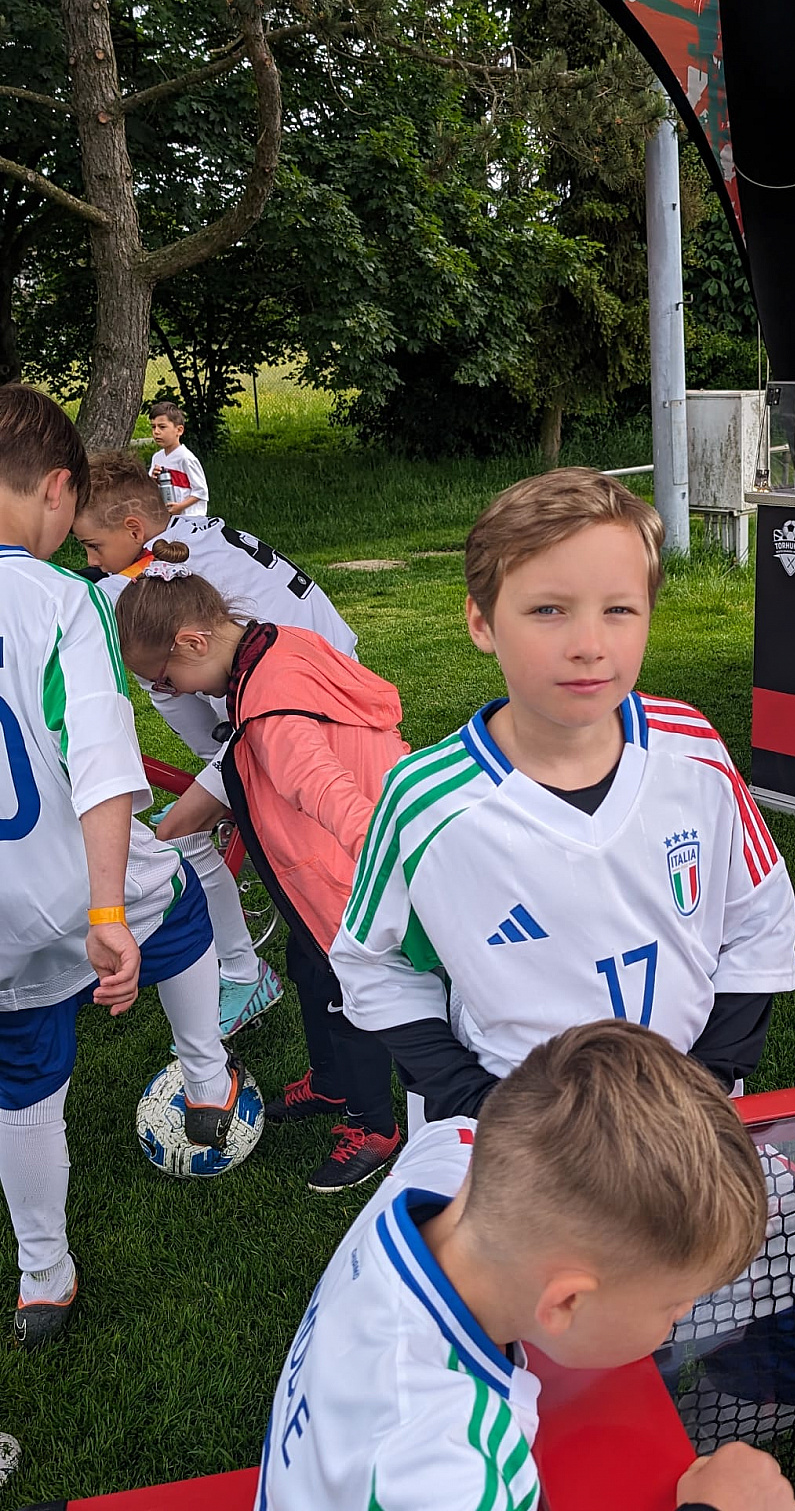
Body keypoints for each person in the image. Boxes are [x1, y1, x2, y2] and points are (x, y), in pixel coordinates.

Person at [330, 466, 795, 1438]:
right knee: (563, 1405)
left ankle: (703, 1429)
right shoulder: (429, 806)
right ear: (480, 622)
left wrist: (708, 1078)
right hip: (521, 1158)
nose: (588, 643)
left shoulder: (691, 749)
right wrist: (477, 1099)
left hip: (689, 1125)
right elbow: (372, 963)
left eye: (618, 609)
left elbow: (758, 916)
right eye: (547, 609)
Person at [257, 1019, 795, 1511]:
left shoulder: (446, 1157)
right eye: (675, 1303)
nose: (684, 1313)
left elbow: (459, 1137)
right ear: (564, 1302)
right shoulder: (452, 1473)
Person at [0, 386, 242, 1349]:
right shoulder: (59, 599)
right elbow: (102, 764)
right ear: (59, 490)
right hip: (70, 877)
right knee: (175, 903)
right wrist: (107, 912)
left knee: (21, 1076)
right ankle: (207, 1082)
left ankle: (43, 1277)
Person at [115, 542, 410, 1191]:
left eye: (164, 680)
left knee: (347, 993)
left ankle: (373, 1125)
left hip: (345, 874)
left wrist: (386, 853)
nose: (169, 692)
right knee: (307, 968)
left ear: (193, 642)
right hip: (319, 869)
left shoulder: (268, 705)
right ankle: (331, 1085)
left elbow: (320, 786)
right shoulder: (272, 644)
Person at [72, 449, 357, 1039]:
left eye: (93, 547)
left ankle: (245, 973)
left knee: (179, 837)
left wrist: (222, 768)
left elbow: (173, 693)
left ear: (133, 529)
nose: (91, 561)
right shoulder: (191, 539)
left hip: (294, 713)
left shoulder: (145, 587)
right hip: (331, 678)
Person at [147, 401, 208, 516]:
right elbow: (150, 487)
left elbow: (201, 491)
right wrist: (153, 479)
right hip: (167, 517)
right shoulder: (157, 458)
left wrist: (180, 507)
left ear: (179, 430)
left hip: (189, 519)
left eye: (162, 427)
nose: (156, 432)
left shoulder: (186, 458)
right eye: (153, 427)